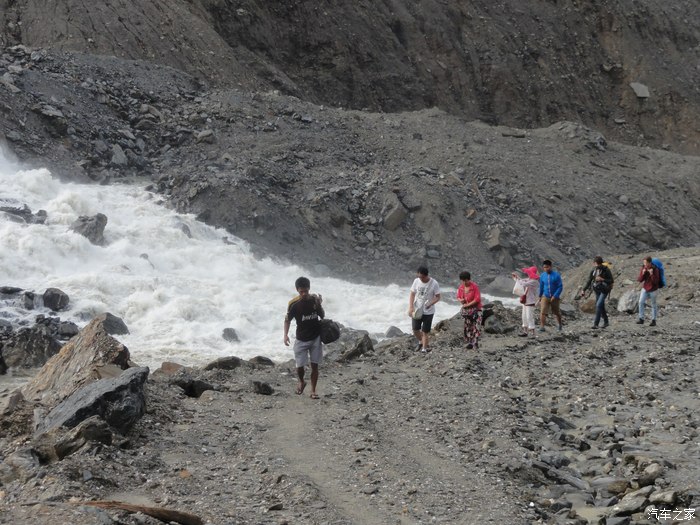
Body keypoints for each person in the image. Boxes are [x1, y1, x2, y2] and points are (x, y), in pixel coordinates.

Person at [283, 276, 325, 399]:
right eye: (301, 291)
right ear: (297, 290)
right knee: (300, 366)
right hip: (301, 338)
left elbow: (322, 316)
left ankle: (313, 391)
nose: (304, 294)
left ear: (309, 289)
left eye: (306, 291)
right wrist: (285, 335)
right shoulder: (293, 304)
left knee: (315, 365)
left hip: (315, 337)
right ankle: (301, 381)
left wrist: (319, 305)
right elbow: (287, 320)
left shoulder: (314, 300)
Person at [408, 266, 441, 353]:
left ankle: (424, 349)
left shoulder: (434, 283)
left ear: (426, 275)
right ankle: (421, 342)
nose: (421, 279)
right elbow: (412, 294)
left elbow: (438, 297)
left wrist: (430, 303)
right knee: (415, 329)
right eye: (419, 277)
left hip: (428, 312)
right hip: (417, 309)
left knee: (425, 331)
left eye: (422, 277)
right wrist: (411, 307)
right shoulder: (416, 281)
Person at [580, 256, 614, 329]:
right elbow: (589, 281)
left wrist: (602, 279)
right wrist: (583, 290)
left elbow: (611, 280)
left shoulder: (606, 270)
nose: (596, 265)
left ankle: (596, 324)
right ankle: (606, 321)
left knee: (598, 305)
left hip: (604, 290)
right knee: (601, 305)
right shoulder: (594, 271)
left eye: (596, 264)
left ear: (597, 263)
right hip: (597, 290)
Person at [457, 271, 483, 349]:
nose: (464, 282)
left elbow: (477, 299)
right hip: (467, 312)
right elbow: (458, 296)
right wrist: (461, 300)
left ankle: (475, 343)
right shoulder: (461, 287)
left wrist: (467, 305)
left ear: (469, 279)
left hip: (476, 310)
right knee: (468, 327)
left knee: (476, 327)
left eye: (465, 280)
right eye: (462, 281)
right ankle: (470, 343)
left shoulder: (474, 287)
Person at [512, 266, 539, 337]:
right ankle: (525, 332)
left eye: (529, 273)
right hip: (525, 301)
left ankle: (533, 333)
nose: (528, 274)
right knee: (524, 316)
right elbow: (522, 281)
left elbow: (523, 283)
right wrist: (517, 278)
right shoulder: (530, 279)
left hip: (530, 301)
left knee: (529, 317)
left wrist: (518, 279)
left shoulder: (534, 282)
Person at [538, 259, 563, 332]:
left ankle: (560, 325)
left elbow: (560, 286)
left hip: (555, 297)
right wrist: (540, 295)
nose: (546, 269)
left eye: (547, 267)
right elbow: (541, 286)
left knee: (556, 312)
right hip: (545, 296)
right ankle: (542, 327)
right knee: (543, 311)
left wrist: (555, 296)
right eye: (544, 267)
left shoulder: (556, 275)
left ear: (551, 267)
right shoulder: (542, 276)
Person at [637, 256, 660, 326]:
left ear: (650, 263)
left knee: (653, 304)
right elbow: (640, 280)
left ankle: (653, 320)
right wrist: (643, 273)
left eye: (646, 263)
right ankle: (641, 319)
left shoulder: (655, 269)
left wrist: (652, 274)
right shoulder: (643, 268)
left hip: (653, 289)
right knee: (641, 302)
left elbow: (656, 282)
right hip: (645, 288)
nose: (645, 264)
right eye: (644, 263)